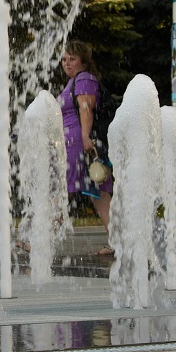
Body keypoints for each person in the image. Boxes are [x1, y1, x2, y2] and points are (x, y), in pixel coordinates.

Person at [57, 41, 113, 255]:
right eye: (64, 59)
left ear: (83, 60)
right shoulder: (74, 82)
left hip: (79, 145)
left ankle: (40, 241)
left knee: (63, 192)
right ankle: (118, 241)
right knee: (99, 195)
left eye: (72, 59)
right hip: (78, 143)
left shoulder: (84, 79)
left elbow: (86, 108)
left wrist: (85, 137)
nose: (67, 63)